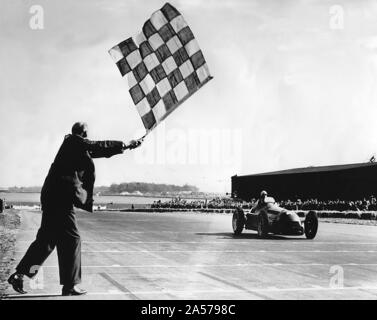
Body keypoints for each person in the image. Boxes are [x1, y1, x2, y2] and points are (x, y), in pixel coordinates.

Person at [8, 122, 142, 296]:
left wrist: (126, 147)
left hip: (53, 197)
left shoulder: (74, 146)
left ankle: (20, 275)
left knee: (47, 240)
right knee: (72, 239)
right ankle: (70, 285)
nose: (87, 137)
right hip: (60, 198)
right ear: (83, 133)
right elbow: (96, 146)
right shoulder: (73, 142)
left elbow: (98, 150)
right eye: (86, 134)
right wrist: (123, 144)